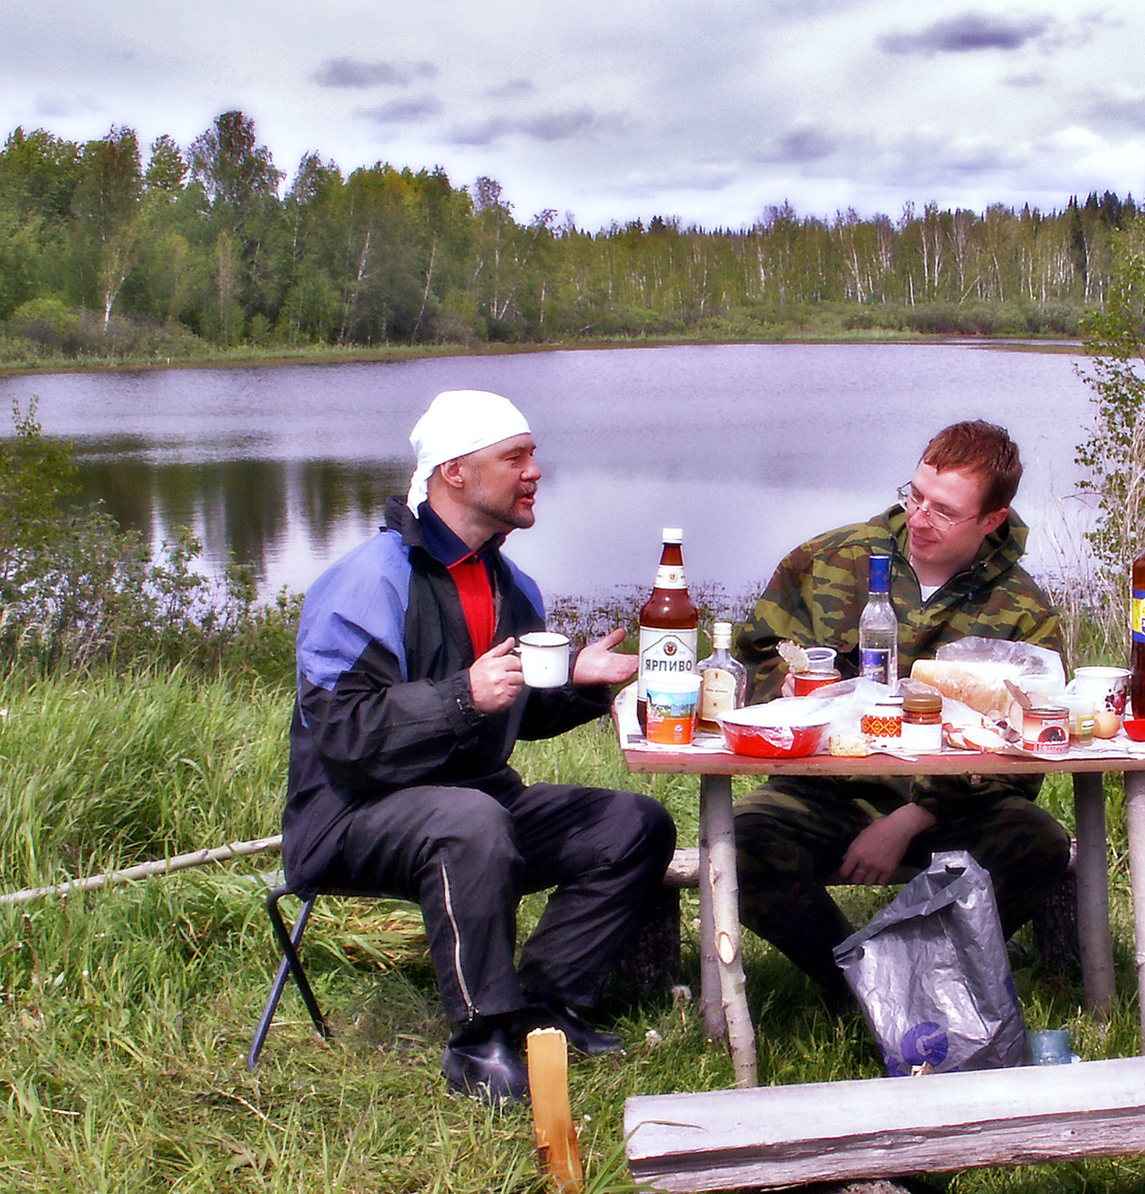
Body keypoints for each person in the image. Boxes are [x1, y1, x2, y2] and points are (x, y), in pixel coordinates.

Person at [283, 390, 676, 1104]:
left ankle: (545, 1010)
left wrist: (584, 684)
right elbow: (342, 736)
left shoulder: (508, 583)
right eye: (515, 457)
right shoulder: (369, 582)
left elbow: (514, 714)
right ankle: (480, 1036)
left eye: (533, 456)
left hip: (479, 805)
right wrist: (461, 695)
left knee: (633, 824)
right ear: (455, 473)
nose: (534, 472)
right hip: (349, 817)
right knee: (471, 822)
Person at [733, 420, 1070, 1004]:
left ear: (991, 520)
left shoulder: (1023, 609)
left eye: (944, 511)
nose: (918, 518)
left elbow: (1031, 748)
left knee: (1038, 843)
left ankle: (924, 982)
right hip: (828, 790)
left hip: (953, 807)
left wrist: (913, 818)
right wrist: (785, 686)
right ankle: (861, 991)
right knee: (738, 843)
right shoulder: (829, 561)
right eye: (913, 496)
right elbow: (754, 657)